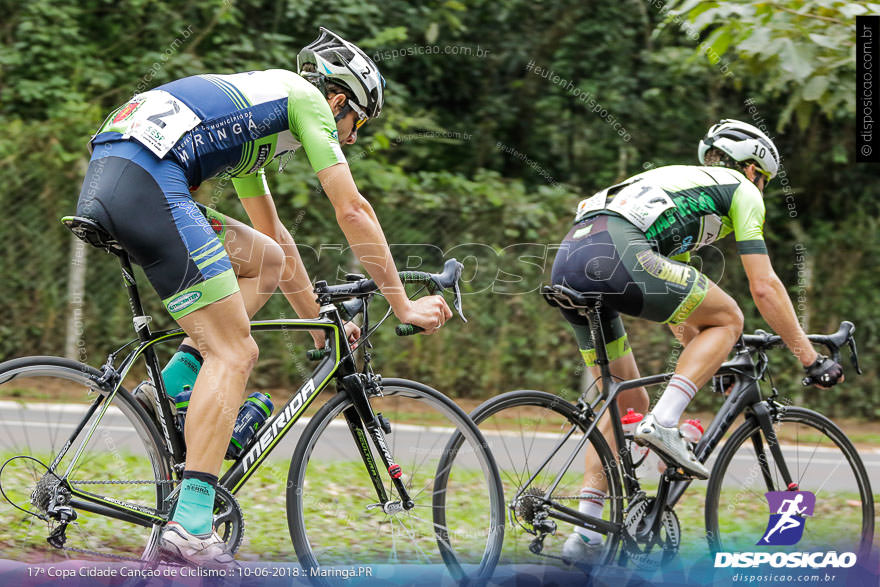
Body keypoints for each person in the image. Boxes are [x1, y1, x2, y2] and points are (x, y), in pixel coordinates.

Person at [76, 27, 451, 566]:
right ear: (338, 100)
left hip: (119, 171)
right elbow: (353, 210)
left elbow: (277, 241)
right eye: (356, 125)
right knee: (236, 352)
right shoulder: (305, 102)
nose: (349, 138)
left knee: (263, 260)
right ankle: (191, 526)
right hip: (147, 181)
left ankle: (174, 384)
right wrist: (404, 305)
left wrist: (320, 322)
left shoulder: (262, 120)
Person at [548, 119, 844, 561]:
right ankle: (665, 424)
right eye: (762, 180)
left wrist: (716, 361)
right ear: (752, 171)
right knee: (731, 317)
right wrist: (808, 357)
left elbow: (684, 315)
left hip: (569, 257)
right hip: (620, 249)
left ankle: (586, 535)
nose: (760, 189)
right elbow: (764, 286)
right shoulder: (739, 190)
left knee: (624, 403)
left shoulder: (683, 193)